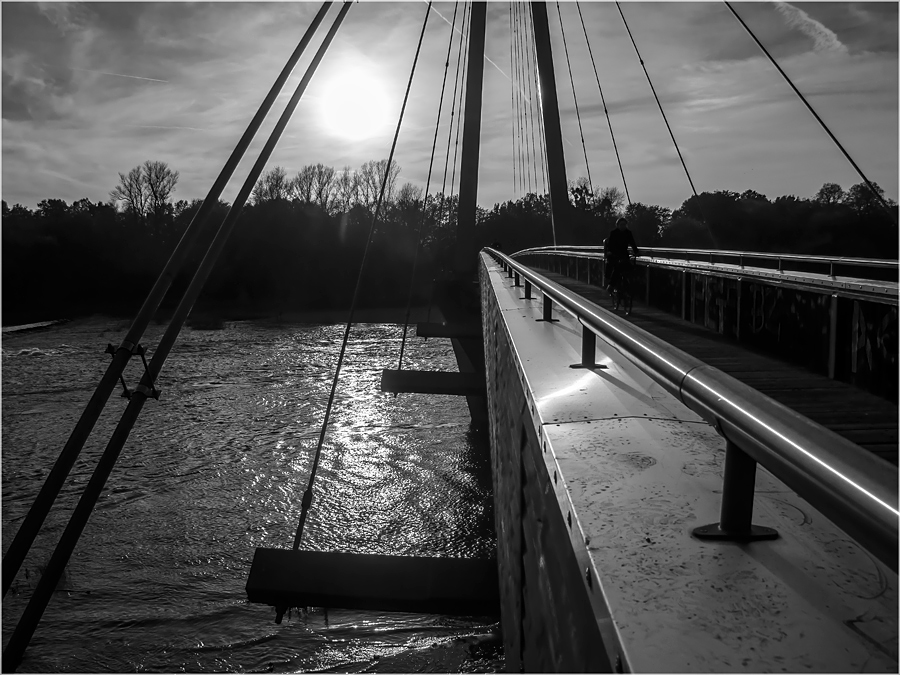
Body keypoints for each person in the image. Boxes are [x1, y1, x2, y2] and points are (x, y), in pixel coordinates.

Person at [603, 217, 639, 296]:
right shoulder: (613, 233)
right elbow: (611, 246)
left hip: (623, 254)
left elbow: (632, 243)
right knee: (617, 268)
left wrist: (636, 251)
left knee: (629, 268)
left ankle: (626, 287)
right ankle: (611, 286)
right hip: (614, 255)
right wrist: (612, 253)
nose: (623, 226)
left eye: (624, 225)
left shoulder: (628, 233)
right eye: (621, 225)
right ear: (617, 225)